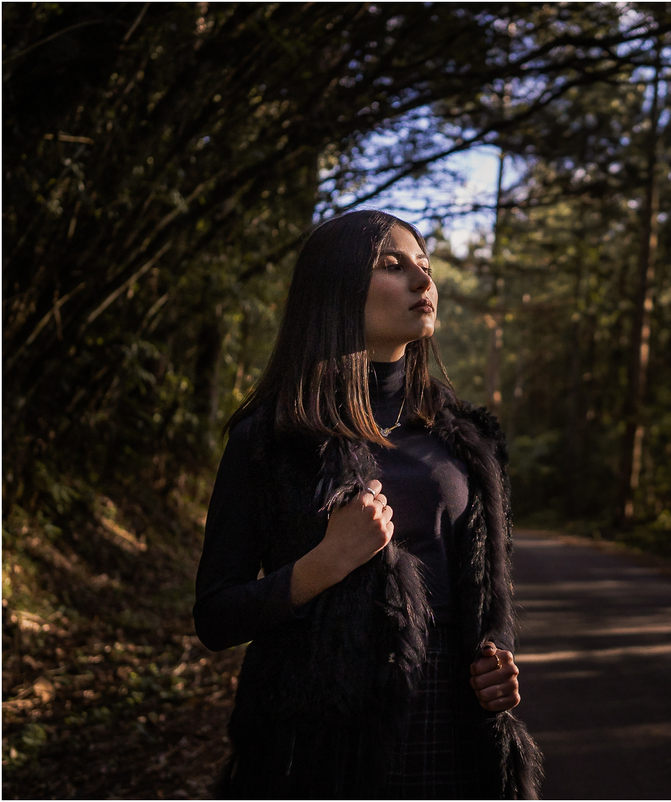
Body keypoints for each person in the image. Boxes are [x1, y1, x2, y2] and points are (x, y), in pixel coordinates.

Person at [193, 210, 542, 799]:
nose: (421, 281)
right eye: (392, 264)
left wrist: (497, 659)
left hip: (451, 727)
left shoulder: (465, 442)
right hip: (319, 743)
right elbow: (216, 616)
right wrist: (322, 566)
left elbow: (489, 594)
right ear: (336, 287)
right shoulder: (270, 438)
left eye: (425, 268)